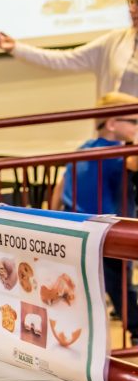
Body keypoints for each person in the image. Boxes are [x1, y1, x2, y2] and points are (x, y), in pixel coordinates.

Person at [52, 91, 138, 342]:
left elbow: (61, 183)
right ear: (112, 124)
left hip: (76, 226)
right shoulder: (119, 153)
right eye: (133, 121)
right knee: (120, 285)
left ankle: (82, 332)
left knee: (86, 283)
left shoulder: (83, 149)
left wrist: (54, 213)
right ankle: (135, 329)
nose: (136, 126)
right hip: (108, 229)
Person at [0, 0, 138, 98]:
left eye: (137, 2)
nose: (131, 9)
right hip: (114, 130)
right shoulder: (115, 41)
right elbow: (64, 59)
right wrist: (16, 48)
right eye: (131, 2)